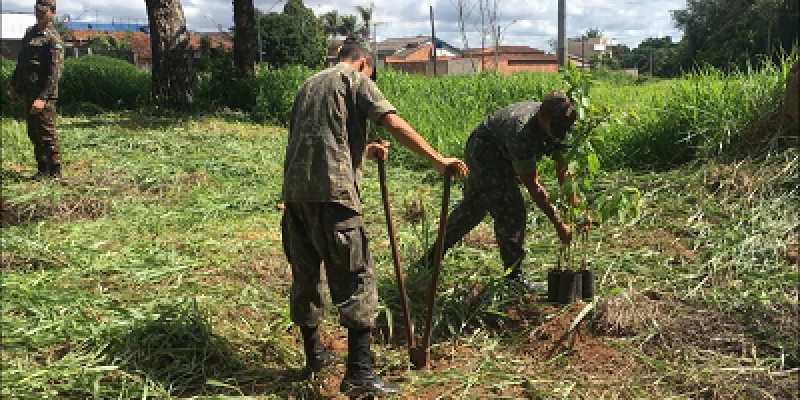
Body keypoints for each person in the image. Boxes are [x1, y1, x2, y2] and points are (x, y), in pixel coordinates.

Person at [281, 37, 467, 397]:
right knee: (358, 280)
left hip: (296, 198)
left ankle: (314, 356)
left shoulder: (309, 84)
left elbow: (315, 140)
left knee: (306, 277)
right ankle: (359, 374)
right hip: (335, 199)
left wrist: (362, 151)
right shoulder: (355, 80)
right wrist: (437, 160)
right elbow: (392, 122)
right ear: (365, 62)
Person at [417, 90, 591, 293]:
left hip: (503, 152)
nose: (558, 135)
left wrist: (577, 210)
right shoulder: (521, 132)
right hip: (485, 153)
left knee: (473, 209)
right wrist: (559, 224)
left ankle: (429, 260)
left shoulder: (559, 120)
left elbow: (564, 170)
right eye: (555, 130)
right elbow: (533, 186)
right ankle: (513, 277)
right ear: (542, 117)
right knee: (512, 211)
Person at [9, 0, 65, 179]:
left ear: (52, 13)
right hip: (28, 91)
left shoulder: (53, 39)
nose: (39, 15)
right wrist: (14, 85)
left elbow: (54, 73)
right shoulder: (30, 33)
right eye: (37, 11)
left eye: (43, 12)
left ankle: (54, 171)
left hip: (43, 95)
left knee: (46, 133)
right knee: (33, 132)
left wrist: (43, 98)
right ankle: (42, 169)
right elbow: (22, 62)